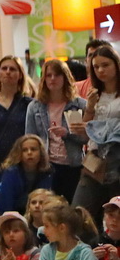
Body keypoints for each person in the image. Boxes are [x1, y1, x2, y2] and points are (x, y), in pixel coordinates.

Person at [26, 58, 87, 203]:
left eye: (57, 75)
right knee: (49, 208)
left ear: (65, 77)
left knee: (72, 208)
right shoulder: (35, 106)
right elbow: (29, 138)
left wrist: (67, 133)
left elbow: (85, 138)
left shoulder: (79, 104)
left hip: (73, 165)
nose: (53, 79)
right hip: (46, 166)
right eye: (48, 75)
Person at [73, 43, 120, 221]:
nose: (100, 70)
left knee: (115, 216)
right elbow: (85, 133)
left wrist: (93, 128)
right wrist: (90, 109)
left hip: (117, 159)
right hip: (94, 159)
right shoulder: (94, 95)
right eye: (96, 67)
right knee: (79, 215)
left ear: (116, 64)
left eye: (105, 65)